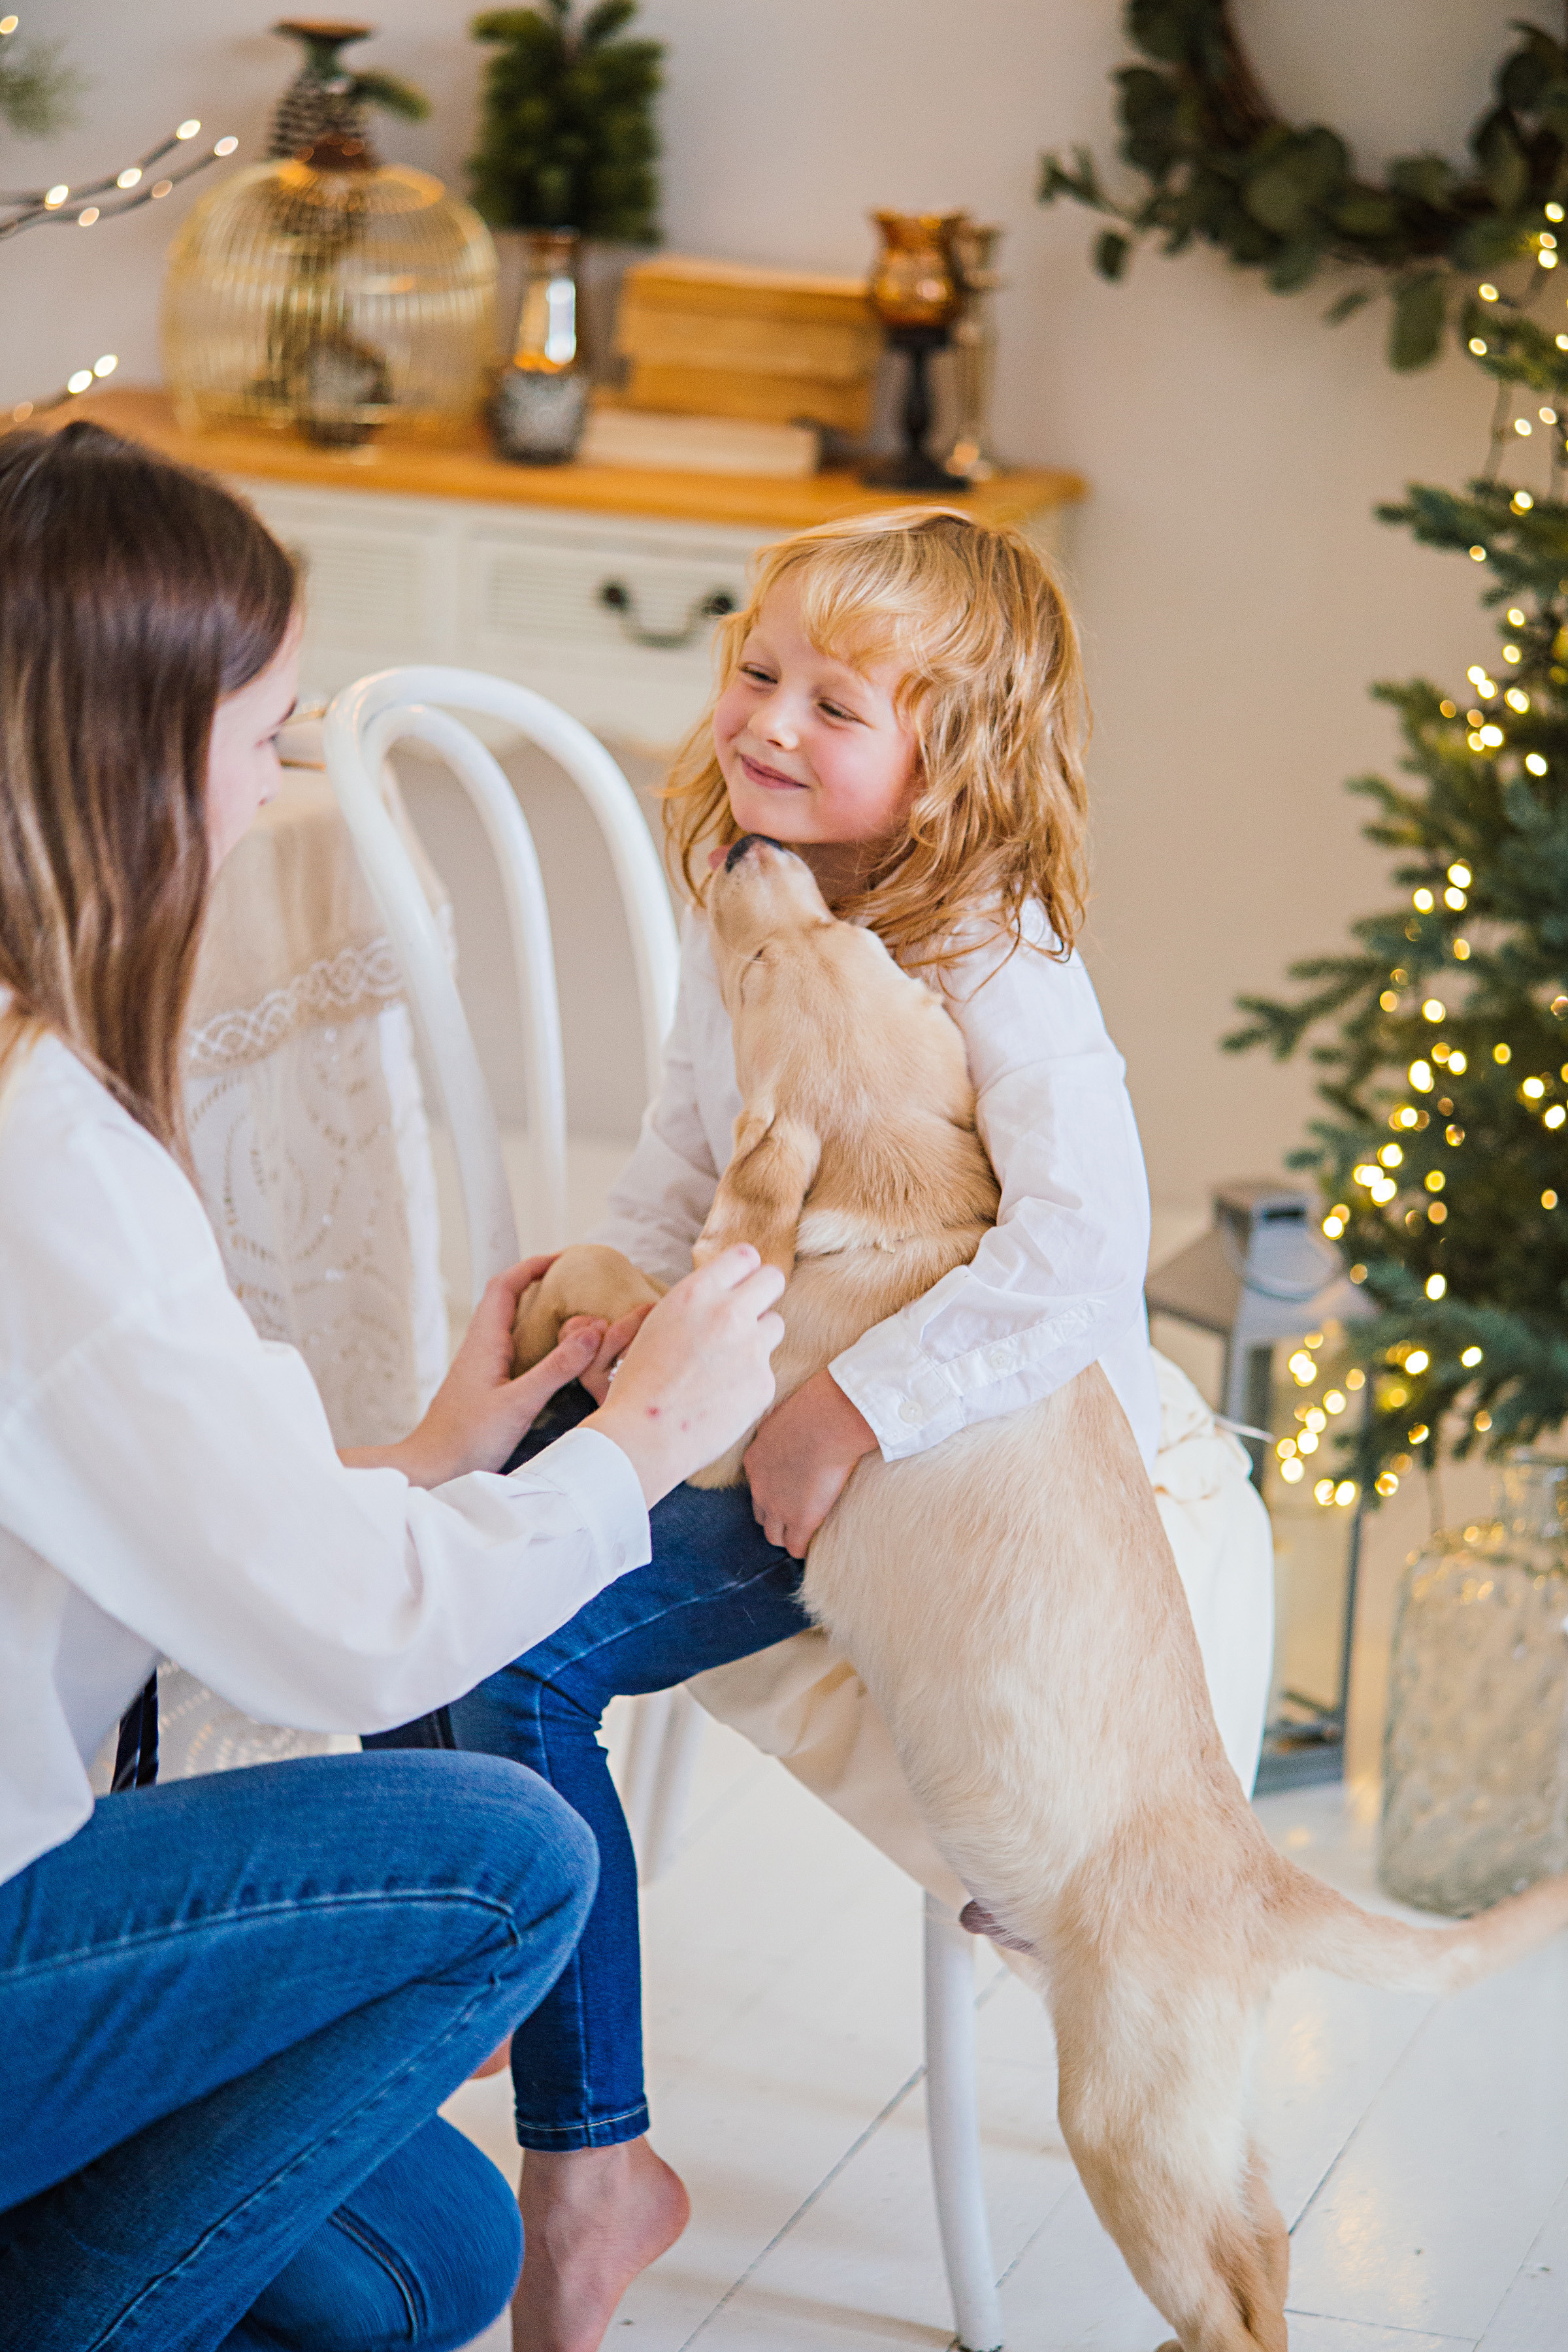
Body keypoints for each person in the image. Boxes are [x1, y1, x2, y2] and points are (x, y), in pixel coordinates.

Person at [0, 420, 785, 2352]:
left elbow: (163, 1506)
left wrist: (430, 1454)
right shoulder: (42, 1156)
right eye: (262, 745)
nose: (273, 803)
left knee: (430, 2260)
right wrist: (656, 1440)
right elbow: (350, 1645)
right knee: (510, 1855)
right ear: (123, 766)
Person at [370, 508, 1162, 2352]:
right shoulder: (755, 876)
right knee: (446, 1541)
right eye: (756, 672)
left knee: (532, 1641)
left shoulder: (998, 959)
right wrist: (618, 1320)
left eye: (835, 702)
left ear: (950, 760)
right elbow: (679, 1157)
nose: (769, 722)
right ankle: (467, 1927)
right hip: (749, 1368)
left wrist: (844, 1408)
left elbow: (1082, 1256)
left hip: (917, 1454)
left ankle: (589, 2172)